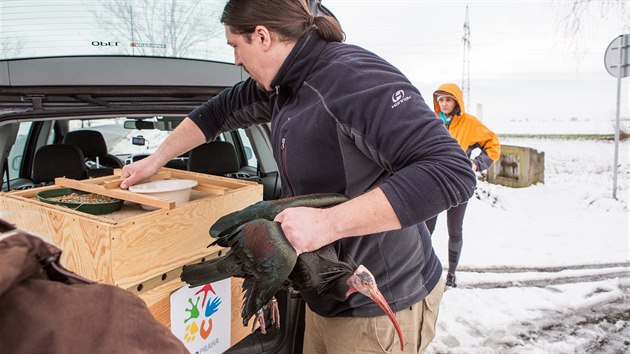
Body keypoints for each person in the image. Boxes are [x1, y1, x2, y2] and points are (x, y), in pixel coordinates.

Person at [120, 1, 476, 352]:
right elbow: (216, 114)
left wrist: (328, 224)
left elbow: (451, 171)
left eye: (235, 47)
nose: (236, 61)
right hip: (325, 299)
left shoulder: (352, 78)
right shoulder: (282, 85)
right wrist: (156, 160)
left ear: (262, 36)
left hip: (380, 303)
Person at [426, 83, 501, 289]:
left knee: (455, 230)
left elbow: (493, 144)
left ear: (457, 101)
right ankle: (423, 269)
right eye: (440, 100)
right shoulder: (431, 121)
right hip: (435, 183)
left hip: (459, 184)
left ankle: (451, 273)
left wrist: (477, 163)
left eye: (448, 99)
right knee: (425, 229)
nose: (444, 103)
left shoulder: (470, 123)